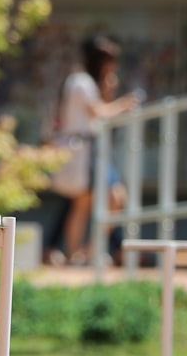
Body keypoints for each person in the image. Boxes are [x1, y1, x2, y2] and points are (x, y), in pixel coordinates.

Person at [52, 34, 138, 265]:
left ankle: (83, 253)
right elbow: (98, 111)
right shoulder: (80, 81)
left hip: (89, 151)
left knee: (103, 199)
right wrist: (123, 105)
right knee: (93, 201)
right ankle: (77, 254)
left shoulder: (86, 81)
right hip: (83, 152)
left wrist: (109, 89)